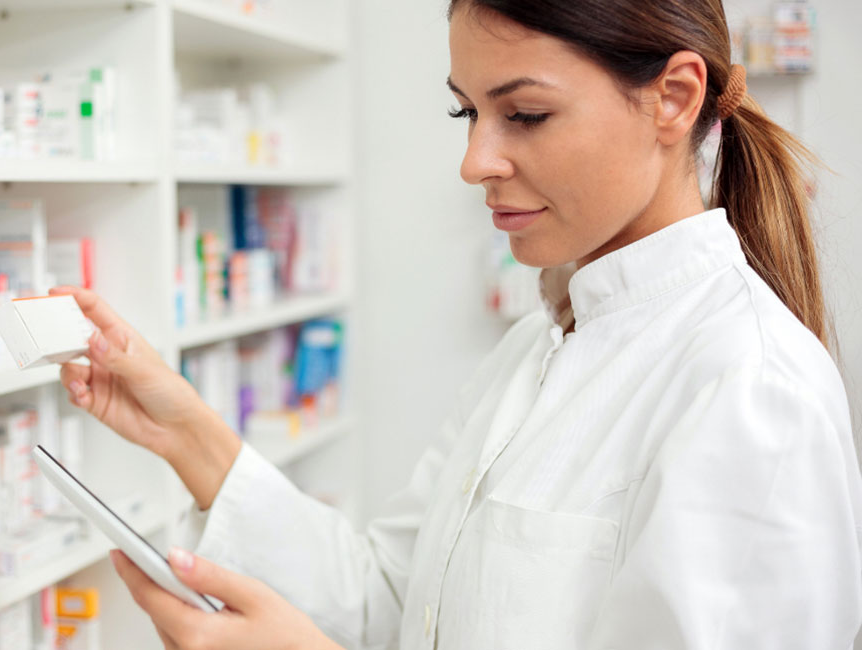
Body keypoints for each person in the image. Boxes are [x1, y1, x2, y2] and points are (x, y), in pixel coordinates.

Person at [54, 1, 862, 648]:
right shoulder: (539, 347)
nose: (476, 160)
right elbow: (396, 605)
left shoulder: (750, 389)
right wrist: (187, 434)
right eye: (465, 113)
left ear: (674, 98)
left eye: (527, 114)